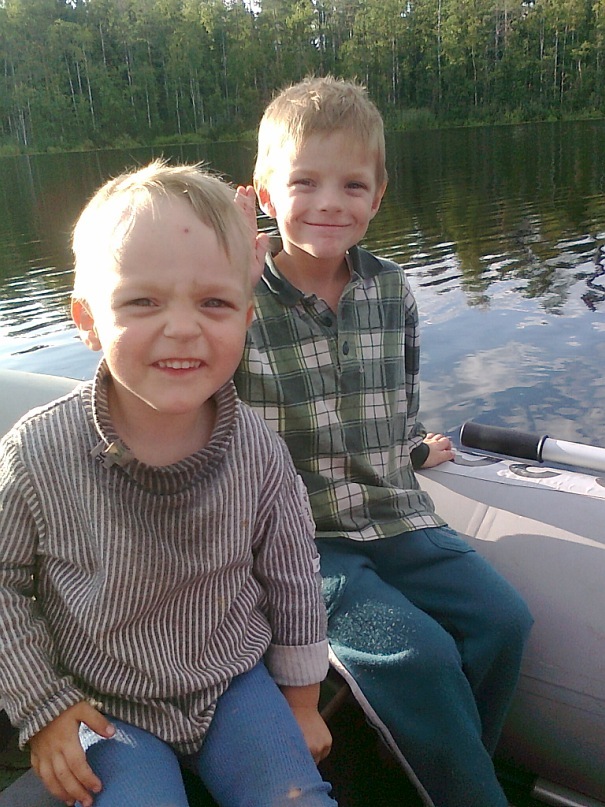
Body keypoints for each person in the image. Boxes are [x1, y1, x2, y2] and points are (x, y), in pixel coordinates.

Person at [234, 76, 534, 807]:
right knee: (416, 652)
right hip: (302, 538)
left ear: (377, 196)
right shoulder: (237, 301)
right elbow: (199, 405)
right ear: (266, 194)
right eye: (304, 182)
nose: (330, 202)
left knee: (504, 620)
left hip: (396, 513)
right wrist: (224, 276)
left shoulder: (391, 288)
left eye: (352, 184)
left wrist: (413, 450)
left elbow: (398, 399)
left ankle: (447, 771)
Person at [0, 161, 337, 807]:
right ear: (88, 319)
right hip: (105, 700)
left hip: (232, 682)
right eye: (142, 301)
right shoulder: (38, 452)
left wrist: (301, 701)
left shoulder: (259, 450)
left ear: (245, 316)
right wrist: (42, 707)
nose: (182, 327)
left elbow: (293, 574)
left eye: (213, 302)